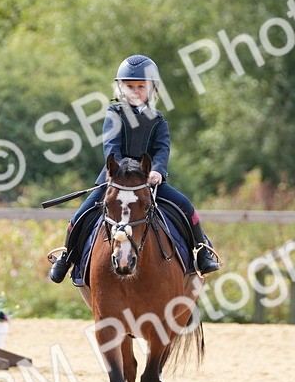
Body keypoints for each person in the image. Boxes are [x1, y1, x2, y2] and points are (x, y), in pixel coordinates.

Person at [48, 54, 219, 285]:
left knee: (186, 206)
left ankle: (201, 250)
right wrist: (117, 171)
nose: (135, 91)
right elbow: (111, 147)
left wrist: (157, 170)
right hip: (115, 179)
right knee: (80, 216)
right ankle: (67, 257)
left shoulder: (158, 120)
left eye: (141, 86)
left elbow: (162, 149)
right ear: (120, 87)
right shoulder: (114, 114)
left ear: (152, 89)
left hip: (149, 180)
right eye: (130, 86)